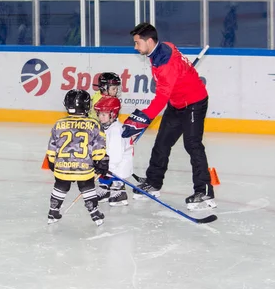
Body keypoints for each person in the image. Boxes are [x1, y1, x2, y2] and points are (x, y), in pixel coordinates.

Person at [122, 23, 216, 211]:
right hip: (177, 102)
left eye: (137, 43)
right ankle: (154, 184)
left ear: (149, 41)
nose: (135, 47)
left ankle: (205, 193)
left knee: (193, 145)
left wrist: (143, 118)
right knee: (162, 143)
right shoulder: (163, 48)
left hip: (194, 103)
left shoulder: (166, 65)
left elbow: (160, 98)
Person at [46, 89, 110, 226]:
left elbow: (52, 146)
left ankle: (53, 212)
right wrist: (100, 161)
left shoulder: (58, 124)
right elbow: (99, 147)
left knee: (60, 185)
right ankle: (95, 214)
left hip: (62, 167)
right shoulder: (94, 124)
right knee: (87, 186)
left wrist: (52, 161)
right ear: (87, 105)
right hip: (84, 167)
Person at [94, 96, 133, 207]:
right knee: (103, 167)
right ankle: (105, 188)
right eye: (99, 114)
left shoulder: (116, 130)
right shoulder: (106, 127)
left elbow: (116, 156)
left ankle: (120, 190)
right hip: (110, 162)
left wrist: (104, 166)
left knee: (113, 171)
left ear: (113, 114)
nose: (100, 117)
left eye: (104, 114)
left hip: (120, 164)